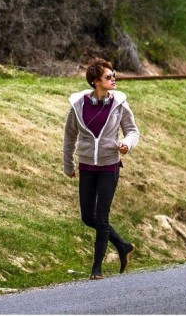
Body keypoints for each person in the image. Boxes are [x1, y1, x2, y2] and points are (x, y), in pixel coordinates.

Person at [62, 57, 140, 280]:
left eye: (113, 75)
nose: (113, 79)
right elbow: (69, 138)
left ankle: (97, 268)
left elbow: (132, 131)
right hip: (86, 165)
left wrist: (126, 144)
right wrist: (68, 164)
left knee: (102, 217)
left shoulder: (119, 104)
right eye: (108, 76)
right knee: (88, 217)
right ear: (96, 81)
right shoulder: (78, 106)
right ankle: (123, 245)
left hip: (109, 165)